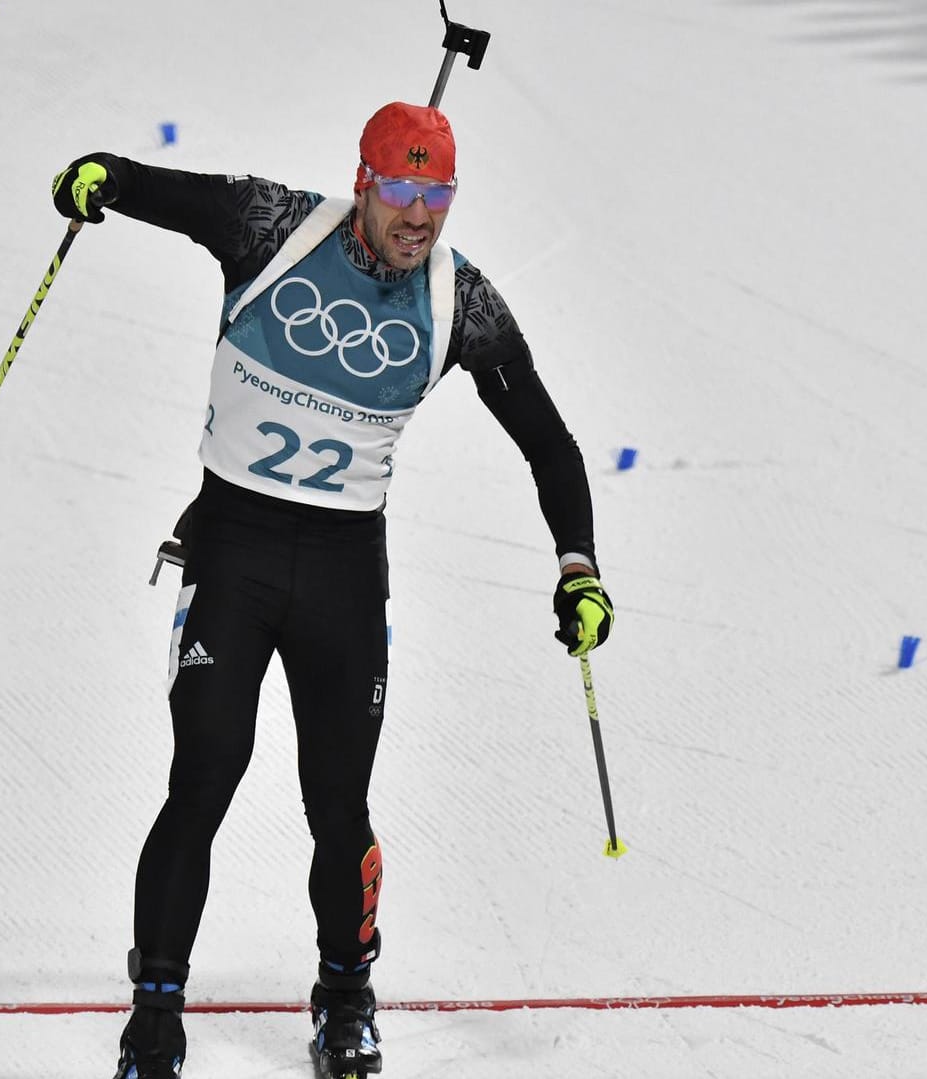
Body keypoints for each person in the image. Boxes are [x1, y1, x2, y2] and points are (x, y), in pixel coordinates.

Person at [51, 101, 615, 1079]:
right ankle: (155, 1011)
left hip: (345, 574)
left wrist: (579, 566)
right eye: (401, 190)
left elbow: (551, 445)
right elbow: (162, 191)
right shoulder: (274, 226)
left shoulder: (458, 299)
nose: (419, 216)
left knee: (338, 804)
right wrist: (100, 176)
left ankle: (346, 995)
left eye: (437, 194)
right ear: (363, 181)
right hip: (235, 550)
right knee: (207, 769)